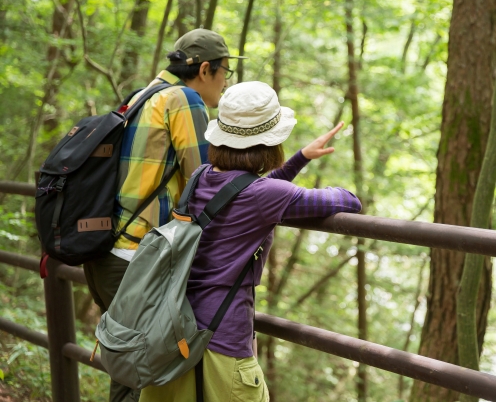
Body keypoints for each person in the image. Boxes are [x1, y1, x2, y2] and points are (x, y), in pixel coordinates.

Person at [139, 81, 362, 402]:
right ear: (270, 142)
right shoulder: (265, 195)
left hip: (171, 332)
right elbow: (348, 201)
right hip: (222, 341)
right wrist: (298, 164)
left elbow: (243, 190)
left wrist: (300, 158)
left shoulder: (201, 175)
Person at [84, 28, 244, 402]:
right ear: (205, 69)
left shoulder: (142, 95)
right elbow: (207, 182)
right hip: (137, 258)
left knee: (128, 369)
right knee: (140, 378)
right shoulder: (184, 100)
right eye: (225, 72)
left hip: (108, 250)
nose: (225, 83)